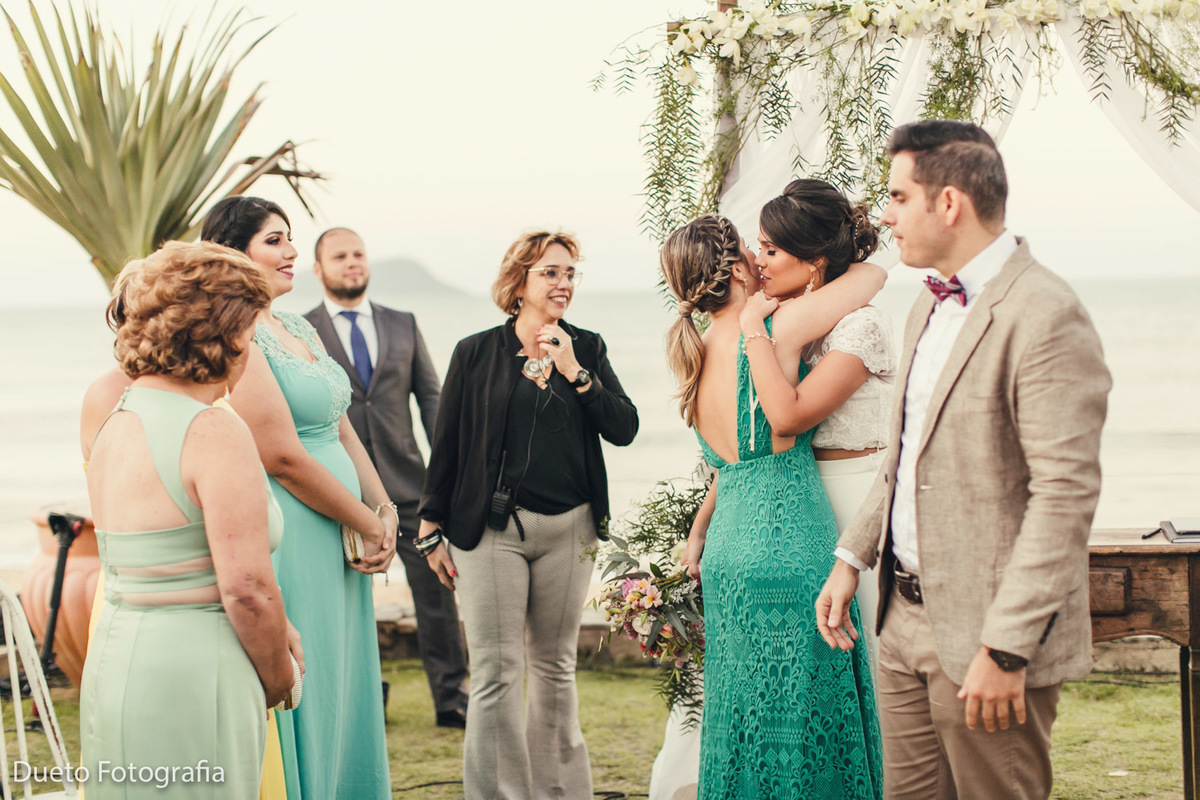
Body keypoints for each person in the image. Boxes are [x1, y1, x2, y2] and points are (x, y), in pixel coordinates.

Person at [816, 120, 1111, 800]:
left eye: (897, 197)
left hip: (989, 633)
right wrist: (851, 557)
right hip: (899, 620)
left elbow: (1064, 497)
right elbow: (904, 455)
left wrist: (1007, 646)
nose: (885, 216)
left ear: (948, 203)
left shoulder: (1047, 313)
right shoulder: (925, 302)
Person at [661, 213, 886, 799]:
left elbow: (733, 465)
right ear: (735, 270)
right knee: (810, 713)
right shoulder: (773, 328)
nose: (761, 260)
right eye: (750, 251)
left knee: (746, 718)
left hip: (728, 555)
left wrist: (698, 531)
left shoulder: (694, 351)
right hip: (788, 540)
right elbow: (872, 277)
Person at [416, 231, 638, 800]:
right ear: (520, 280)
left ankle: (560, 793)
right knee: (495, 671)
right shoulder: (474, 353)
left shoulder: (586, 347)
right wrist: (430, 526)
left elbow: (624, 427)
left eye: (570, 274)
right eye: (551, 273)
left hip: (571, 530)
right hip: (492, 533)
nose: (564, 284)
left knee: (555, 669)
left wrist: (574, 371)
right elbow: (448, 444)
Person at [81, 241, 295, 799]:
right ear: (224, 334)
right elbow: (247, 589)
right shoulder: (213, 429)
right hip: (196, 669)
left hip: (116, 660)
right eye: (251, 331)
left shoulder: (118, 419)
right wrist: (278, 676)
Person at [204, 196, 394, 799]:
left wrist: (383, 509)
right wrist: (365, 521)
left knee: (345, 671)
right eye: (274, 240)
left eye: (290, 238)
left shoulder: (298, 326)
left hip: (343, 527)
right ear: (235, 253)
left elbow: (340, 425)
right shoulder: (237, 336)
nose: (291, 252)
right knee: (310, 673)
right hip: (295, 530)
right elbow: (281, 458)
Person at [304, 226, 469, 728]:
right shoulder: (303, 330)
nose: (352, 262)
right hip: (338, 493)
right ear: (319, 269)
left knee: (437, 596)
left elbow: (432, 399)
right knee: (347, 600)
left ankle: (452, 699)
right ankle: (365, 698)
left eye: (358, 253)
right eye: (340, 256)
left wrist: (449, 474)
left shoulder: (403, 323)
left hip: (411, 487)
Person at [756, 179, 897, 668]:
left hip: (858, 496)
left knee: (867, 645)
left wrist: (756, 331)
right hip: (803, 497)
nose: (758, 262)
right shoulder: (785, 320)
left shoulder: (862, 326)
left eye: (771, 250)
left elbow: (790, 418)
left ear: (813, 260)